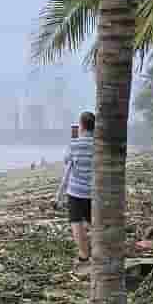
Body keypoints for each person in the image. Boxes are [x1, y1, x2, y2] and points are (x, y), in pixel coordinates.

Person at [59, 110, 94, 263]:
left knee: (76, 223)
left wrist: (74, 140)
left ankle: (84, 255)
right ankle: (100, 251)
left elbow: (67, 160)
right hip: (93, 191)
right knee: (94, 223)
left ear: (81, 126)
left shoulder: (75, 144)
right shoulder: (99, 144)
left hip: (75, 192)